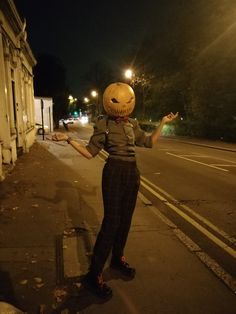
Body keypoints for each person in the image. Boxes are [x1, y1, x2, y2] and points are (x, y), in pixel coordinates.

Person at [52, 82, 178, 299]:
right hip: (113, 173)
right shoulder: (104, 125)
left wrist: (162, 123)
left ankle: (117, 259)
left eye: (126, 101)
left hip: (132, 174)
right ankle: (94, 274)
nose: (122, 106)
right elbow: (90, 152)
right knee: (111, 223)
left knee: (125, 221)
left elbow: (148, 143)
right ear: (108, 103)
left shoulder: (133, 124)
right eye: (117, 101)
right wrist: (69, 139)